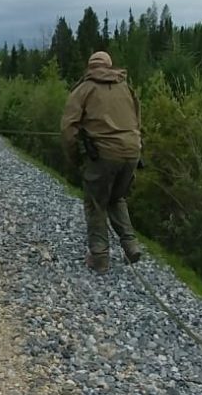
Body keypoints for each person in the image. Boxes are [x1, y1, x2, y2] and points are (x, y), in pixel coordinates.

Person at [61, 51, 142, 274]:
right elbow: (137, 118)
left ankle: (99, 258)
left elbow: (68, 129)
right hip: (132, 150)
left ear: (90, 67)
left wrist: (75, 159)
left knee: (96, 202)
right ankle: (130, 246)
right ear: (109, 66)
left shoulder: (83, 89)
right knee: (117, 198)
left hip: (104, 155)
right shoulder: (125, 87)